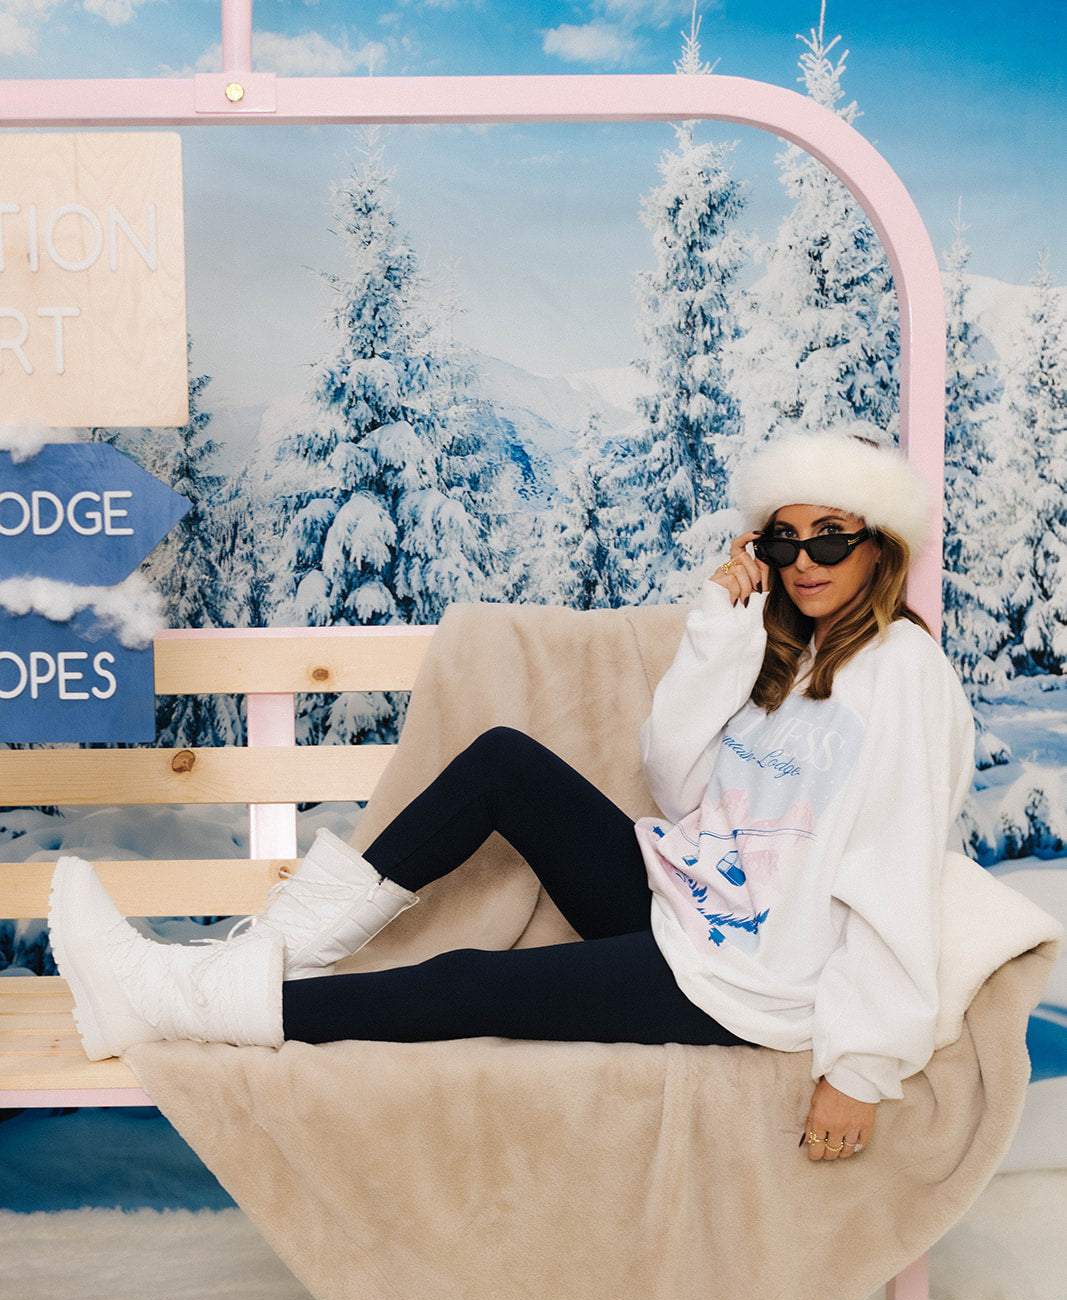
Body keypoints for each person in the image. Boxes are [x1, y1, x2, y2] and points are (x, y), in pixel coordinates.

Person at [48, 428, 975, 1166]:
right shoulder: (784, 655)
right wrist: (720, 634)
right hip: (683, 906)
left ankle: (183, 1001)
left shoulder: (905, 673)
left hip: (753, 983)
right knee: (503, 762)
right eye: (783, 538)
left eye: (830, 538)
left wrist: (858, 1068)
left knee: (469, 984)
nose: (804, 559)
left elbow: (893, 875)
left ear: (877, 547)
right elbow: (675, 783)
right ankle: (254, 960)